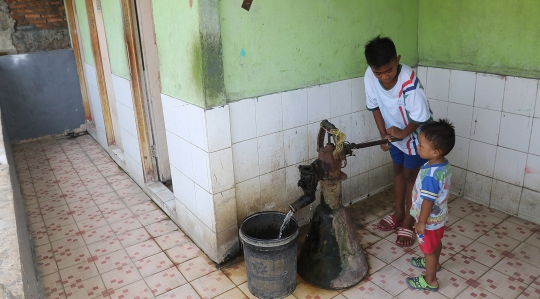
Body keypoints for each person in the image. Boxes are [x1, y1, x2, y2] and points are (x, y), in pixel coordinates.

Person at [364, 35, 433, 247]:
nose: (384, 77)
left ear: (398, 60)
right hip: (394, 133)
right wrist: (383, 134)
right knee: (397, 171)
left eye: (389, 70)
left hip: (414, 136)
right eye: (378, 72)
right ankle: (398, 213)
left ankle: (409, 222)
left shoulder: (408, 81)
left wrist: (403, 134)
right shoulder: (369, 76)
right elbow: (374, 106)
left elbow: (421, 117)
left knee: (411, 176)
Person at [406, 119, 455, 292]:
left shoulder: (431, 176)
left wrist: (421, 222)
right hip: (439, 219)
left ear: (435, 152)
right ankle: (434, 262)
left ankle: (430, 279)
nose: (417, 147)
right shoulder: (442, 164)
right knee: (435, 243)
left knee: (428, 249)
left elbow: (428, 201)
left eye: (420, 145)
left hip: (429, 222)